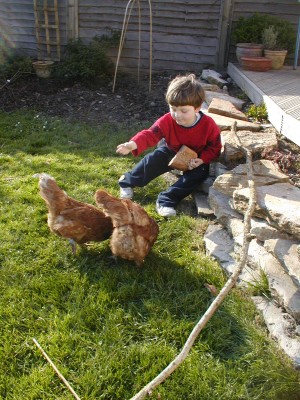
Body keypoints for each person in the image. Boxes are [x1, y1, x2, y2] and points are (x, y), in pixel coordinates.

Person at [116, 73, 222, 217]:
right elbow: (151, 134)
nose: (177, 115)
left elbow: (215, 148)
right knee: (153, 159)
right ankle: (127, 181)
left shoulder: (208, 125)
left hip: (194, 159)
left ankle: (167, 200)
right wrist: (132, 144)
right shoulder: (167, 120)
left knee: (198, 175)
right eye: (173, 109)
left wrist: (202, 159)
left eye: (184, 111)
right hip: (171, 151)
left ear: (197, 108)